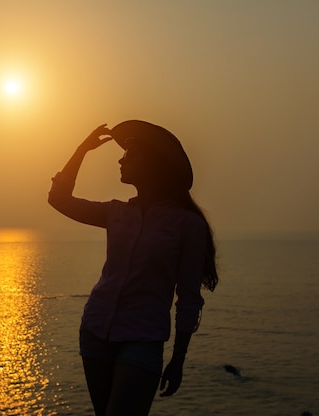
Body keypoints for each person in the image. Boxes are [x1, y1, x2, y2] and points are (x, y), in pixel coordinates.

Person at [48, 120, 218, 415]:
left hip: (142, 339)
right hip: (95, 331)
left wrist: (178, 359)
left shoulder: (187, 225)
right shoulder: (116, 212)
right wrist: (82, 150)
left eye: (129, 154)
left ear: (152, 165)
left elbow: (189, 298)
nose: (120, 159)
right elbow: (59, 199)